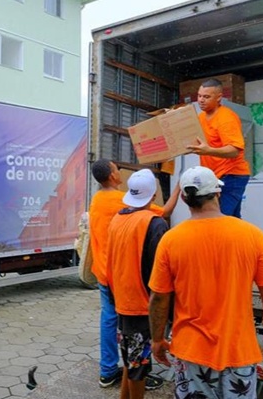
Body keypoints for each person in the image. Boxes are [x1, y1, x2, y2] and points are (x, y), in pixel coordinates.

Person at [149, 165, 263, 399]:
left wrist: (157, 339)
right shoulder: (251, 235)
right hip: (239, 350)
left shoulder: (171, 240)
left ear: (184, 198)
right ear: (218, 193)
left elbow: (159, 297)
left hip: (191, 350)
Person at [89, 159, 178, 390]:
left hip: (104, 270)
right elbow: (165, 211)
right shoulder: (121, 203)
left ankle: (108, 370)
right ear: (111, 175)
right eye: (116, 168)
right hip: (122, 274)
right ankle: (134, 370)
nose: (119, 171)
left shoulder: (98, 199)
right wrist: (179, 185)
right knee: (135, 328)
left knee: (111, 321)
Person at [106, 169, 169, 399]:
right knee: (139, 365)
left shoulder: (118, 219)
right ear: (152, 196)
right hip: (143, 305)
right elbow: (159, 273)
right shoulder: (154, 223)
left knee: (131, 359)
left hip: (122, 298)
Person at [186, 79, 250, 218]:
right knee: (229, 219)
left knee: (217, 218)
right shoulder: (201, 117)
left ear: (219, 97)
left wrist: (208, 150)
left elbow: (234, 150)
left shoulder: (226, 118)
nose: (201, 100)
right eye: (199, 96)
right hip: (214, 176)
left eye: (206, 97)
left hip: (231, 175)